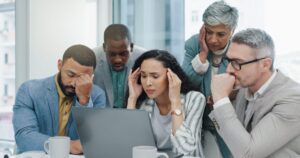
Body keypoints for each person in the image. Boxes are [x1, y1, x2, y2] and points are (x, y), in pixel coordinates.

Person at [210, 28, 300, 158]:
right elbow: (234, 139)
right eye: (228, 61)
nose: (229, 69)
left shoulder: (293, 100)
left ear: (265, 64)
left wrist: (221, 99)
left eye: (237, 63)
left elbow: (248, 153)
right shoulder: (243, 88)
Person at [13, 44, 106, 154]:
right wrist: (69, 146)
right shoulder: (29, 90)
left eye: (82, 78)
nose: (74, 83)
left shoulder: (97, 95)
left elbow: (89, 142)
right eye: (70, 74)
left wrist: (84, 101)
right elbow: (24, 137)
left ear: (91, 77)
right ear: (60, 65)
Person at [181, 1, 238, 157]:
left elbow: (246, 86)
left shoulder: (240, 49)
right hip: (197, 123)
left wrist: (227, 96)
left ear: (232, 31)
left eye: (220, 34)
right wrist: (202, 55)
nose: (213, 40)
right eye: (209, 32)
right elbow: (184, 85)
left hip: (229, 123)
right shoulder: (193, 44)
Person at [127, 50, 206, 157]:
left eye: (155, 76)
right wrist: (132, 99)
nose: (148, 83)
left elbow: (186, 149)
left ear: (171, 76)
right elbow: (131, 145)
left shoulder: (194, 99)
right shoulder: (145, 105)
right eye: (144, 76)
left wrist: (175, 102)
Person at [93, 24, 145, 108]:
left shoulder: (144, 58)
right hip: (101, 115)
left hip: (133, 113)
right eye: (112, 54)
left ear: (131, 47)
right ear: (104, 47)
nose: (118, 59)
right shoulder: (92, 58)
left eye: (123, 53)